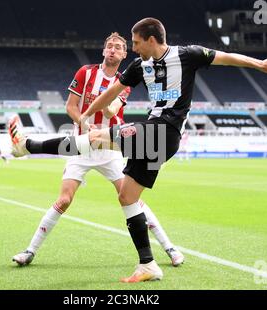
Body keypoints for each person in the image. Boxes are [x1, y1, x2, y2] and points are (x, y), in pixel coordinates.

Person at [8, 17, 267, 282]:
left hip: (165, 132)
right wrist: (89, 112)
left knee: (95, 139)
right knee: (127, 196)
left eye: (136, 43)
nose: (134, 48)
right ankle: (148, 264)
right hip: (150, 133)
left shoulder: (188, 54)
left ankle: (26, 145)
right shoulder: (140, 66)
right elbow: (112, 92)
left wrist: (260, 64)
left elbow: (226, 56)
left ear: (152, 40)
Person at [12, 32, 184, 268]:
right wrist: (83, 122)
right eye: (109, 46)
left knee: (133, 199)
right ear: (104, 51)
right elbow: (71, 106)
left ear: (124, 54)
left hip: (110, 148)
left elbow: (113, 107)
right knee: (63, 200)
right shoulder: (85, 72)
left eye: (118, 47)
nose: (113, 50)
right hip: (82, 146)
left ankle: (169, 247)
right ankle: (29, 251)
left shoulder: (126, 79)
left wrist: (110, 110)